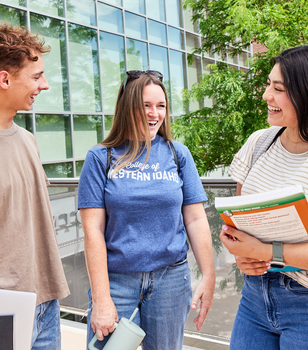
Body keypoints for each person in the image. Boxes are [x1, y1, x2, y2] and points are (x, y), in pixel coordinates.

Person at [78, 70, 216, 350]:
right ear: (128, 108)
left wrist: (208, 276)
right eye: (146, 106)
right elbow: (93, 231)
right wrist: (102, 299)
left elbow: (196, 218)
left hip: (171, 281)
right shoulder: (100, 157)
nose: (154, 114)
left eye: (161, 106)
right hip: (116, 282)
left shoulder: (179, 154)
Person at [0, 22, 69, 350]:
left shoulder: (28, 141)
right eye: (36, 77)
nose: (45, 85)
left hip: (45, 305)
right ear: (4, 79)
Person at [220, 46, 308, 350]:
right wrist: (238, 249)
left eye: (278, 88)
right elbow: (238, 220)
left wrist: (264, 250)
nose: (266, 95)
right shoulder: (259, 141)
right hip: (254, 297)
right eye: (269, 84)